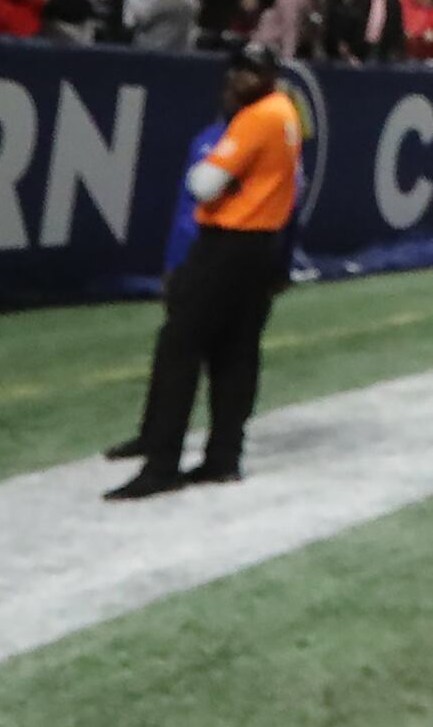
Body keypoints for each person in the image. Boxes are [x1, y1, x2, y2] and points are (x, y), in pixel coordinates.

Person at [106, 48, 306, 499]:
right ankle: (223, 456)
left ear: (269, 76)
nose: (239, 79)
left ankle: (162, 462)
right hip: (260, 248)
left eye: (250, 71)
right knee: (234, 351)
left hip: (230, 244)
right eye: (237, 69)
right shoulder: (286, 112)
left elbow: (202, 185)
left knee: (180, 344)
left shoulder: (257, 119)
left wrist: (219, 177)